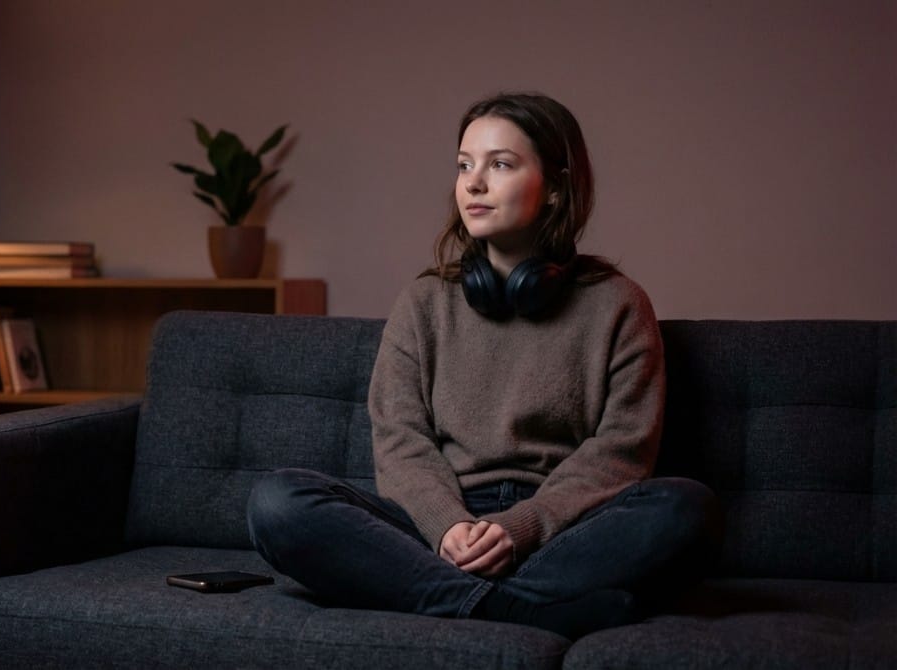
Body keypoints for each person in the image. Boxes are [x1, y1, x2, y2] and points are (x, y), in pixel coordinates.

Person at [246, 92, 723, 639]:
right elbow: (400, 440)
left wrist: (520, 528)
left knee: (687, 508)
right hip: (439, 527)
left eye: (500, 164)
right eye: (464, 165)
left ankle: (448, 598)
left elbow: (622, 451)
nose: (473, 183)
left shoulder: (619, 304)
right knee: (278, 502)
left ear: (556, 188)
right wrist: (449, 526)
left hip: (561, 527)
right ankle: (523, 611)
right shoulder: (423, 302)